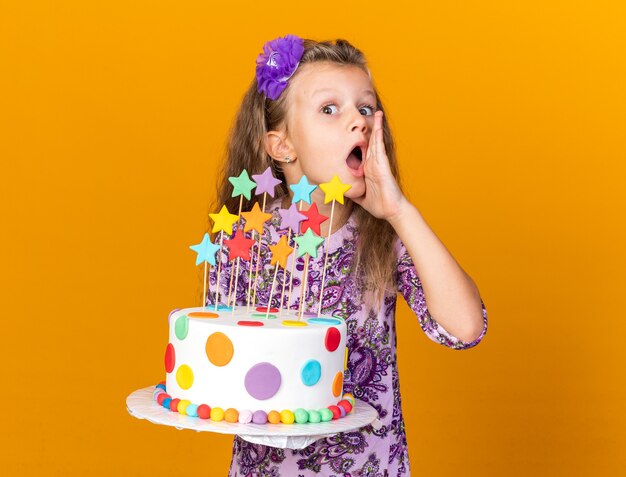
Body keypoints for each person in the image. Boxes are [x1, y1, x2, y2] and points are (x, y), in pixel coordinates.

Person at [208, 34, 488, 477]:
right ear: (281, 146)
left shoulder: (384, 239)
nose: (357, 122)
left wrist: (399, 211)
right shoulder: (243, 241)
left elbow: (466, 328)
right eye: (329, 109)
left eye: (365, 108)